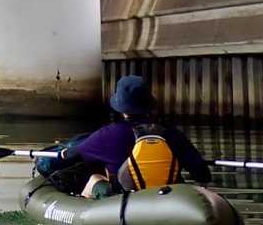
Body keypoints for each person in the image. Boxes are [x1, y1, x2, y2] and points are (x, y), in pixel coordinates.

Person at [58, 75, 212, 198]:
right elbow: (202, 173)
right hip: (167, 198)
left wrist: (65, 152)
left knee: (95, 179)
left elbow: (72, 155)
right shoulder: (171, 133)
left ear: (121, 108)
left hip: (124, 200)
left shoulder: (107, 134)